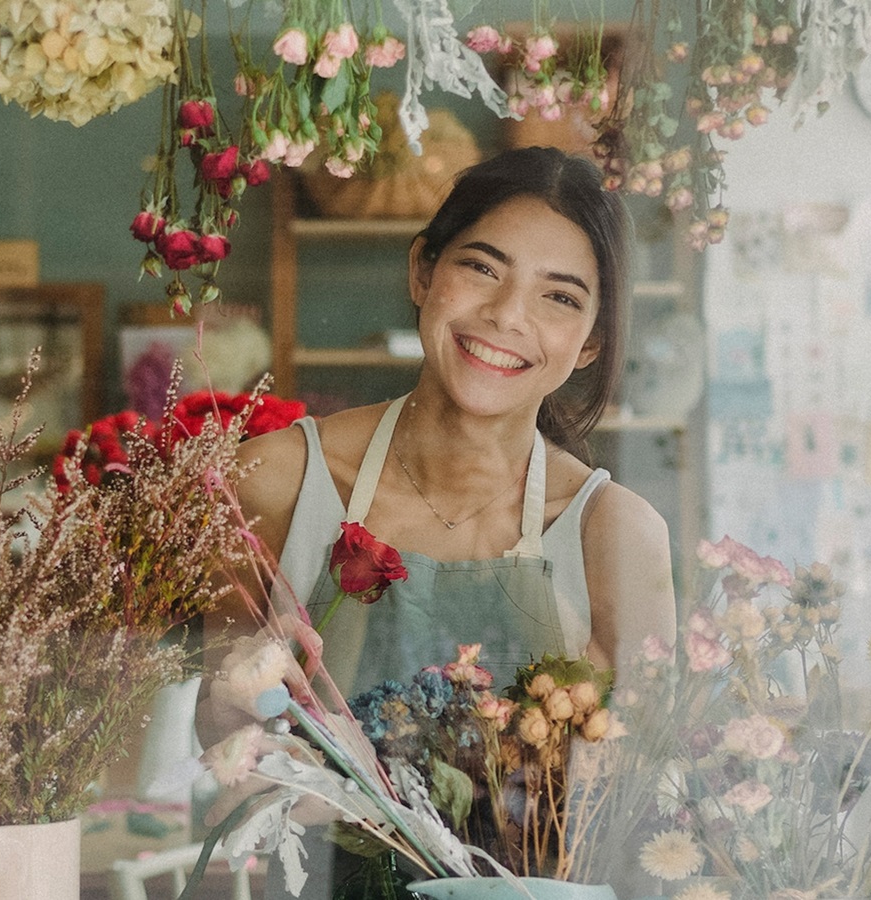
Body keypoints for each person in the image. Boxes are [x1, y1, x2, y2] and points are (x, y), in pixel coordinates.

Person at [201, 146, 678, 897]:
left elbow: (639, 816)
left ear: (589, 340)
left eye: (559, 297)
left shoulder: (612, 533)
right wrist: (237, 698)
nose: (506, 316)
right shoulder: (278, 479)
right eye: (482, 268)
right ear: (423, 270)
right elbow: (215, 736)